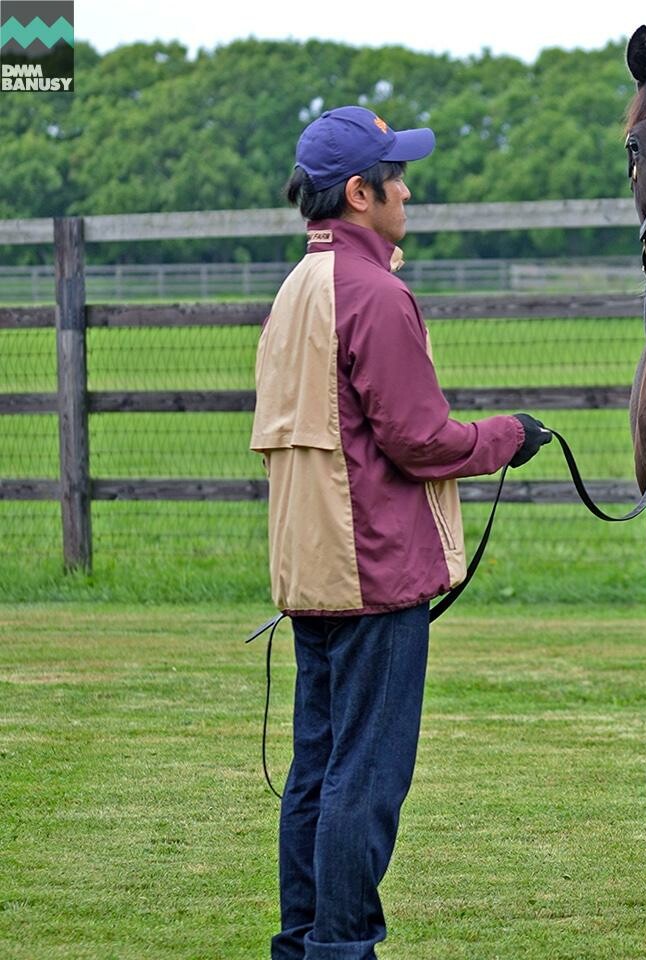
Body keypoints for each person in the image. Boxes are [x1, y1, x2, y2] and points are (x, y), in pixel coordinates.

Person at [249, 104, 551, 960]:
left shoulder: (295, 290)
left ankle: (304, 940)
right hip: (374, 573)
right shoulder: (376, 294)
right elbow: (421, 439)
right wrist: (508, 438)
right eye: (396, 177)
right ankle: (344, 947)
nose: (407, 190)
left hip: (314, 570)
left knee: (315, 771)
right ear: (358, 193)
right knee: (365, 778)